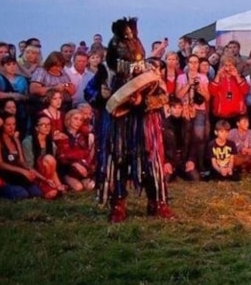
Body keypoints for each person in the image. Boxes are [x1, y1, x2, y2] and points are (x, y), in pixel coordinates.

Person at [92, 17, 174, 222]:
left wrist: (143, 101)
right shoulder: (106, 70)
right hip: (117, 126)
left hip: (145, 125)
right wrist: (101, 96)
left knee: (150, 163)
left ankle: (157, 202)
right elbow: (89, 92)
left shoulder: (150, 70)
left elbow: (164, 96)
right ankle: (118, 204)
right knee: (118, 161)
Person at [0, 114, 53, 200]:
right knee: (22, 194)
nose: (12, 127)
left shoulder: (15, 140)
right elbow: (0, 164)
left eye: (14, 124)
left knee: (37, 193)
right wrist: (22, 171)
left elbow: (22, 161)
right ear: (2, 125)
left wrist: (43, 178)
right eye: (8, 125)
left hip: (17, 175)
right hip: (5, 175)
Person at [55, 109, 95, 192]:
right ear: (69, 120)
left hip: (83, 166)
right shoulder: (63, 135)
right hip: (68, 168)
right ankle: (65, 180)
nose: (78, 122)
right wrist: (74, 163)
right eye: (75, 119)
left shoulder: (84, 136)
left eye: (80, 120)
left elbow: (87, 153)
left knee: (90, 186)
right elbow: (62, 157)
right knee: (78, 187)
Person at [162, 97, 200, 182]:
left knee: (196, 178)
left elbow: (193, 144)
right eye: (174, 107)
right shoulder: (163, 126)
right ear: (170, 109)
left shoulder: (187, 124)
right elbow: (160, 146)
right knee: (165, 180)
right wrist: (165, 162)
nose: (177, 110)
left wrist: (191, 160)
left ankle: (180, 172)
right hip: (170, 160)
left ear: (182, 108)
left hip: (184, 160)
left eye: (179, 107)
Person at [208, 55, 250, 126]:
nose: (228, 67)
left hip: (237, 114)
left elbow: (245, 91)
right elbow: (212, 92)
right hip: (221, 114)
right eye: (226, 65)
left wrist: (237, 76)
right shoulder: (217, 78)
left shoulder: (240, 78)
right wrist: (218, 76)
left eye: (231, 65)